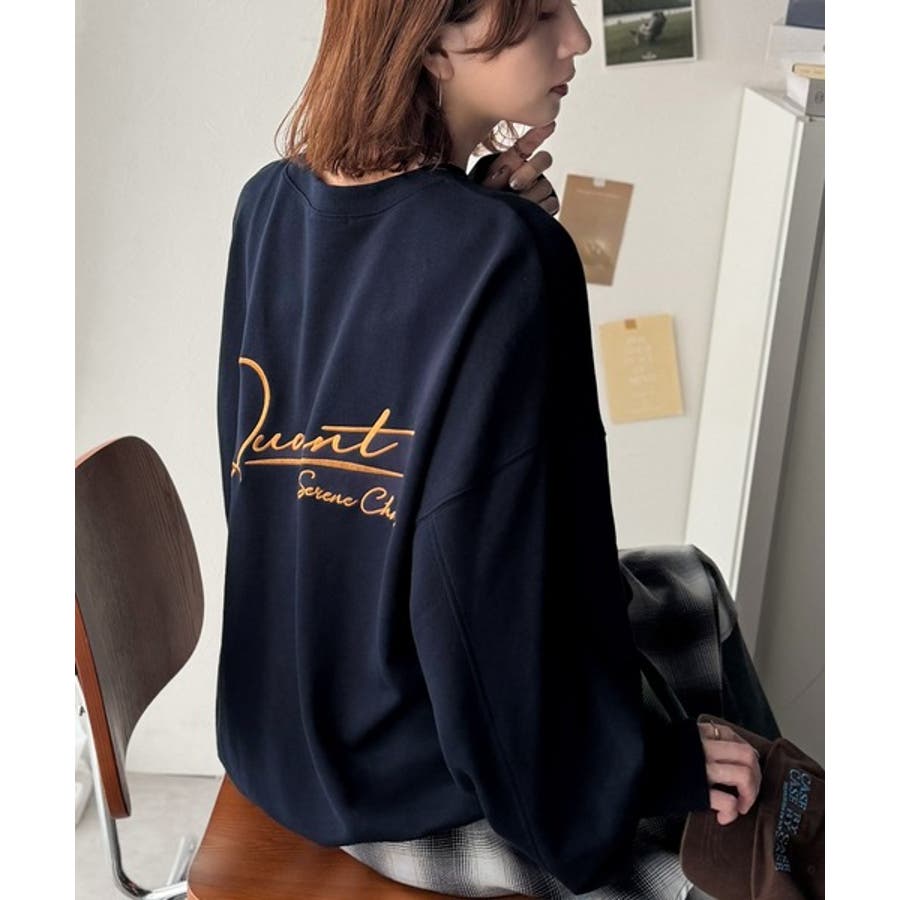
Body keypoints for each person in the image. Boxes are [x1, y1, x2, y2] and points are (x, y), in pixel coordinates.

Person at [214, 1, 762, 897]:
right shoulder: (510, 256)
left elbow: (272, 499)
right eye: (540, 12)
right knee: (733, 857)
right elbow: (487, 598)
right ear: (433, 39)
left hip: (271, 730)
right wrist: (651, 767)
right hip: (404, 788)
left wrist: (479, 214)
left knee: (685, 580)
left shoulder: (267, 204)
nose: (577, 37)